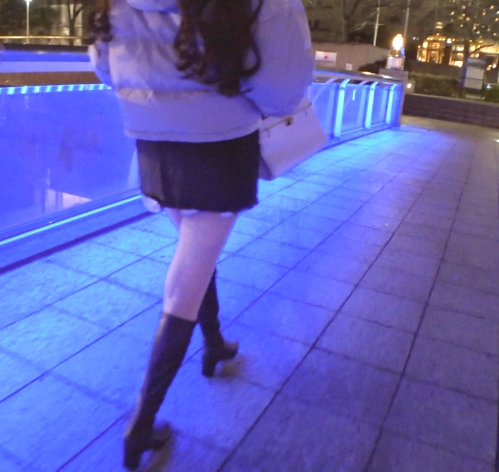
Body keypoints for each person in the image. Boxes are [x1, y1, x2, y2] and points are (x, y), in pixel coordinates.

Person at [89, 0, 313, 468]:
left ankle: (213, 344)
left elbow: (105, 65)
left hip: (151, 141)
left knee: (196, 256)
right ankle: (141, 426)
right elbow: (283, 92)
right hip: (219, 145)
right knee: (186, 280)